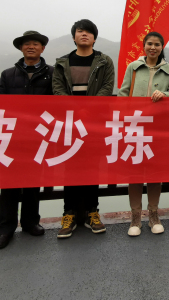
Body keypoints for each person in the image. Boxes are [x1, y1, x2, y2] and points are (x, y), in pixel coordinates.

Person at [53, 19, 115, 239]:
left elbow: (107, 86)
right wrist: (75, 110)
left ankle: (92, 212)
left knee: (92, 167)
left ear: (94, 38)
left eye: (89, 32)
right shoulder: (63, 62)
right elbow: (58, 88)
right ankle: (68, 214)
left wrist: (89, 108)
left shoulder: (104, 61)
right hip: (70, 122)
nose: (84, 35)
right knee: (69, 167)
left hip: (94, 122)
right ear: (74, 37)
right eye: (80, 31)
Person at [0, 31, 53, 249]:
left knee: (33, 182)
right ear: (21, 48)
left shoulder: (52, 73)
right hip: (12, 137)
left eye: (36, 44)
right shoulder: (8, 74)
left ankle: (30, 222)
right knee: (9, 184)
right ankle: (5, 229)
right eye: (27, 44)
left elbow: (58, 102)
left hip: (38, 136)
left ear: (42, 49)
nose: (31, 47)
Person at [118, 31, 169, 236]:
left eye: (157, 44)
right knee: (134, 171)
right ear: (144, 46)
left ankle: (153, 214)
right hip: (135, 124)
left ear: (162, 47)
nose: (153, 48)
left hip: (157, 126)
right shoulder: (133, 67)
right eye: (150, 44)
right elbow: (123, 93)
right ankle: (135, 217)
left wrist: (165, 94)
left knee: (154, 171)